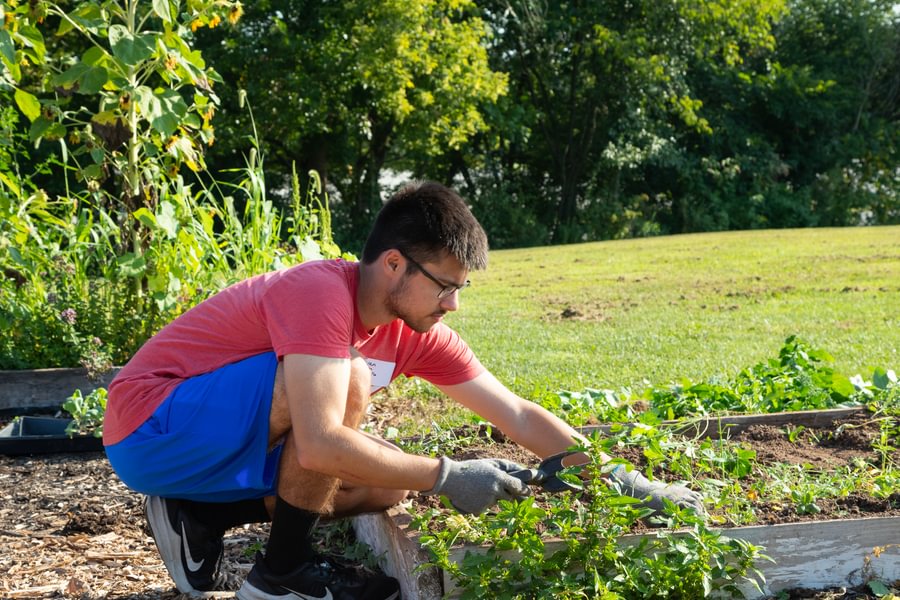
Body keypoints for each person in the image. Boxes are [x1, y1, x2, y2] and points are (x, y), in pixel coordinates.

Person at [103, 182, 703, 600]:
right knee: (349, 390)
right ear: (393, 265)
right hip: (148, 424)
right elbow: (318, 444)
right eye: (445, 286)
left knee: (387, 484)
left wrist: (621, 481)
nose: (454, 303)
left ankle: (202, 515)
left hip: (206, 441)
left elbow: (516, 413)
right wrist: (447, 474)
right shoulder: (319, 292)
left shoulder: (415, 333)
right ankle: (279, 575)